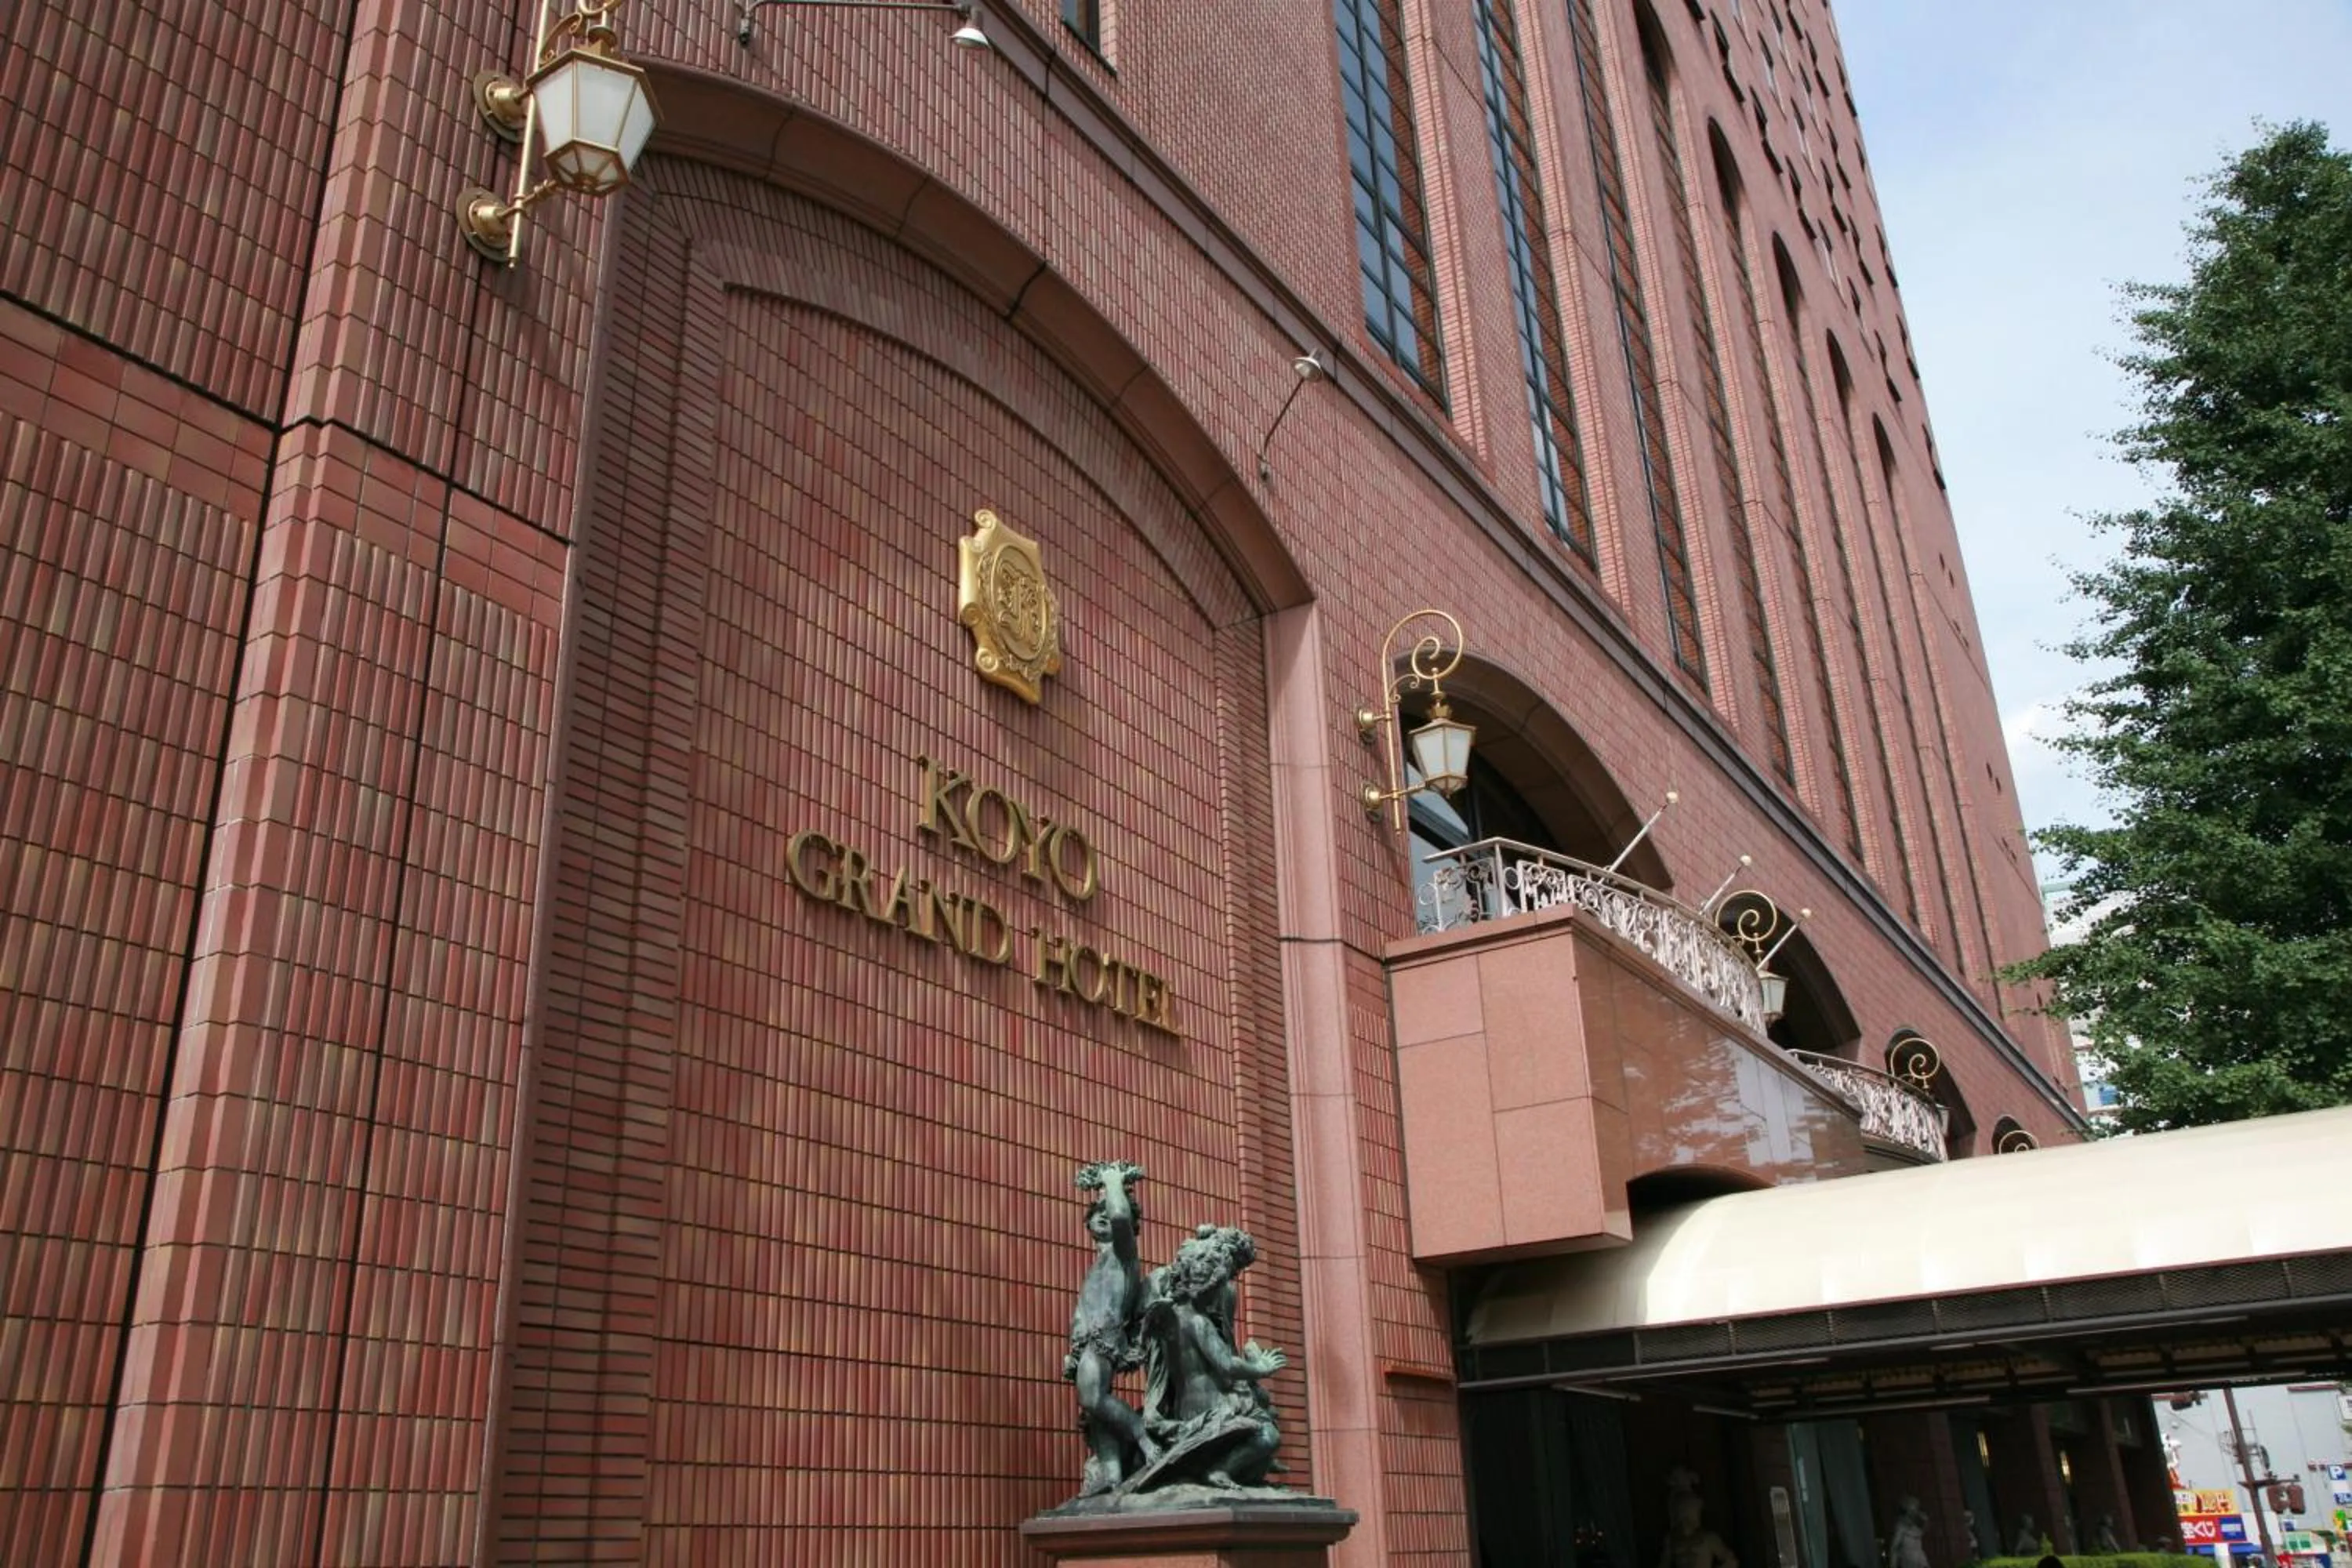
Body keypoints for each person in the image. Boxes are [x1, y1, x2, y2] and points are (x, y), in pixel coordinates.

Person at [1063, 1162, 1157, 1496]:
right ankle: (1113, 1474)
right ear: (1087, 1223)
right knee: (1093, 1411)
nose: (1106, 1215)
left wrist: (1112, 1182)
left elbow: (1119, 1218)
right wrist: (1073, 1349)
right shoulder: (1099, 1264)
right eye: (1096, 1211)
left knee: (1092, 1397)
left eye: (1110, 1209)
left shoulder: (1123, 1254)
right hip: (1088, 1343)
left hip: (1105, 1338)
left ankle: (1142, 1434)